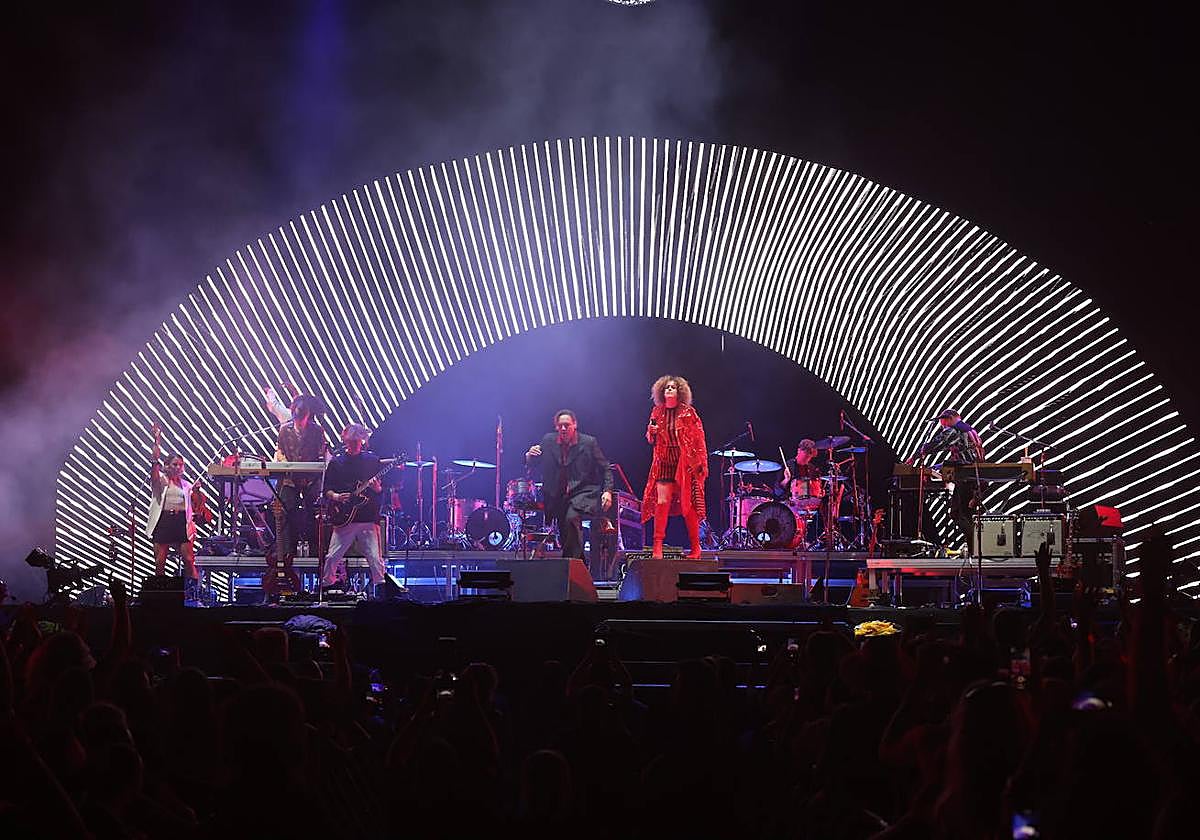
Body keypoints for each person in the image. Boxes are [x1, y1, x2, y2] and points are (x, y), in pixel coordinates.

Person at [525, 410, 613, 562]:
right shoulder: (548, 440)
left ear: (575, 425)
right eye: (560, 426)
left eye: (566, 425)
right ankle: (577, 567)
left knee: (571, 519)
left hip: (583, 492)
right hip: (558, 496)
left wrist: (608, 491)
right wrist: (529, 455)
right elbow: (535, 462)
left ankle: (571, 567)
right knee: (566, 533)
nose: (563, 429)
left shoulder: (588, 442)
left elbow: (605, 468)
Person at [642, 375, 708, 559]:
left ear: (680, 391)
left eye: (673, 387)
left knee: (688, 506)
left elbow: (698, 439)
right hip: (664, 460)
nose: (669, 390)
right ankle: (657, 546)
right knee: (662, 503)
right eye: (666, 388)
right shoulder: (657, 412)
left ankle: (696, 547)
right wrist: (651, 432)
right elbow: (650, 438)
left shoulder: (688, 412)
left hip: (683, 462)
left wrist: (701, 462)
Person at [906, 409, 986, 554]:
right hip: (975, 476)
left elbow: (935, 444)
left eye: (942, 424)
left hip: (967, 477)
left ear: (948, 419)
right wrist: (935, 467)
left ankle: (977, 547)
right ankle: (975, 547)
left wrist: (914, 456)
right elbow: (961, 456)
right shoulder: (970, 430)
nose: (942, 427)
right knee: (965, 513)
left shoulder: (954, 430)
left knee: (958, 513)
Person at [320, 424, 387, 595]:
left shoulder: (372, 461)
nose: (354, 444)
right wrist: (336, 497)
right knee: (332, 557)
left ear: (362, 441)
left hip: (367, 516)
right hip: (344, 517)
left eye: (357, 441)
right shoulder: (337, 462)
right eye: (351, 441)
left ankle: (382, 589)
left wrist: (377, 488)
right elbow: (327, 488)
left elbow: (381, 490)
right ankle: (327, 586)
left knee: (374, 558)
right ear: (345, 441)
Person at [274, 393, 329, 558]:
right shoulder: (284, 430)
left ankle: (314, 550)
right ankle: (285, 552)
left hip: (310, 479)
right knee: (283, 511)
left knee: (315, 512)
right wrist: (284, 463)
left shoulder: (317, 431)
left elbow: (322, 453)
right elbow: (280, 451)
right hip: (290, 478)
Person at [147, 423, 200, 580]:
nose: (178, 467)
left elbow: (197, 505)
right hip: (163, 521)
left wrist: (196, 491)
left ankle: (194, 592)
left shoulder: (186, 485)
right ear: (167, 466)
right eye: (175, 464)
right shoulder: (160, 481)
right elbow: (154, 462)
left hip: (180, 522)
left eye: (180, 465)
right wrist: (157, 440)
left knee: (189, 560)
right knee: (160, 562)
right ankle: (161, 595)